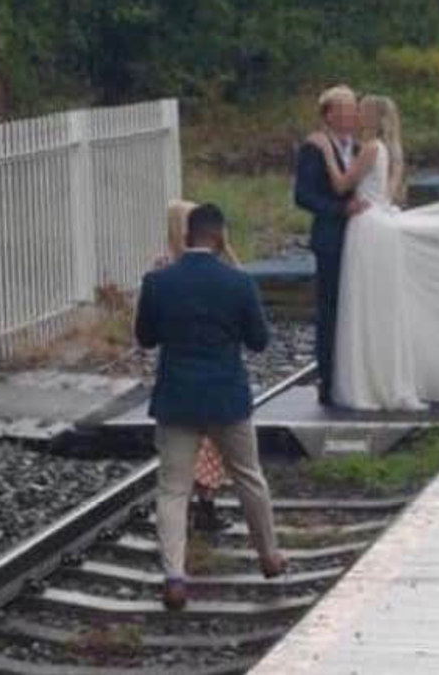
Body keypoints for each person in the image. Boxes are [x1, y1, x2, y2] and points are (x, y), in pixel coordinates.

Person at [136, 203, 287, 611]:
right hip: (226, 397)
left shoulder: (158, 282)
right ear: (220, 237)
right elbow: (258, 341)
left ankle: (174, 578)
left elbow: (146, 337)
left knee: (172, 489)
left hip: (177, 398)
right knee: (248, 477)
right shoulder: (238, 284)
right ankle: (269, 557)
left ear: (187, 236)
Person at [308, 95, 424, 411]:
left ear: (372, 117)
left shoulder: (371, 148)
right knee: (374, 305)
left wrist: (327, 152)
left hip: (365, 227)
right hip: (378, 221)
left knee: (360, 303)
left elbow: (343, 185)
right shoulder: (384, 150)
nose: (355, 115)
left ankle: (363, 381)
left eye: (361, 111)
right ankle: (379, 377)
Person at [164, 200, 237, 533]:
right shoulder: (216, 269)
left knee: (194, 446)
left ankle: (201, 503)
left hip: (178, 374)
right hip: (212, 373)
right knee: (209, 443)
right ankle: (204, 502)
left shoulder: (164, 271)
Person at [294, 85, 370, 406]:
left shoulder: (362, 147)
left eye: (353, 109)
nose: (351, 116)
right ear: (329, 115)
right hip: (332, 239)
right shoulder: (315, 148)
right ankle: (328, 378)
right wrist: (339, 210)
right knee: (331, 308)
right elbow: (303, 195)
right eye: (344, 110)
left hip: (364, 238)